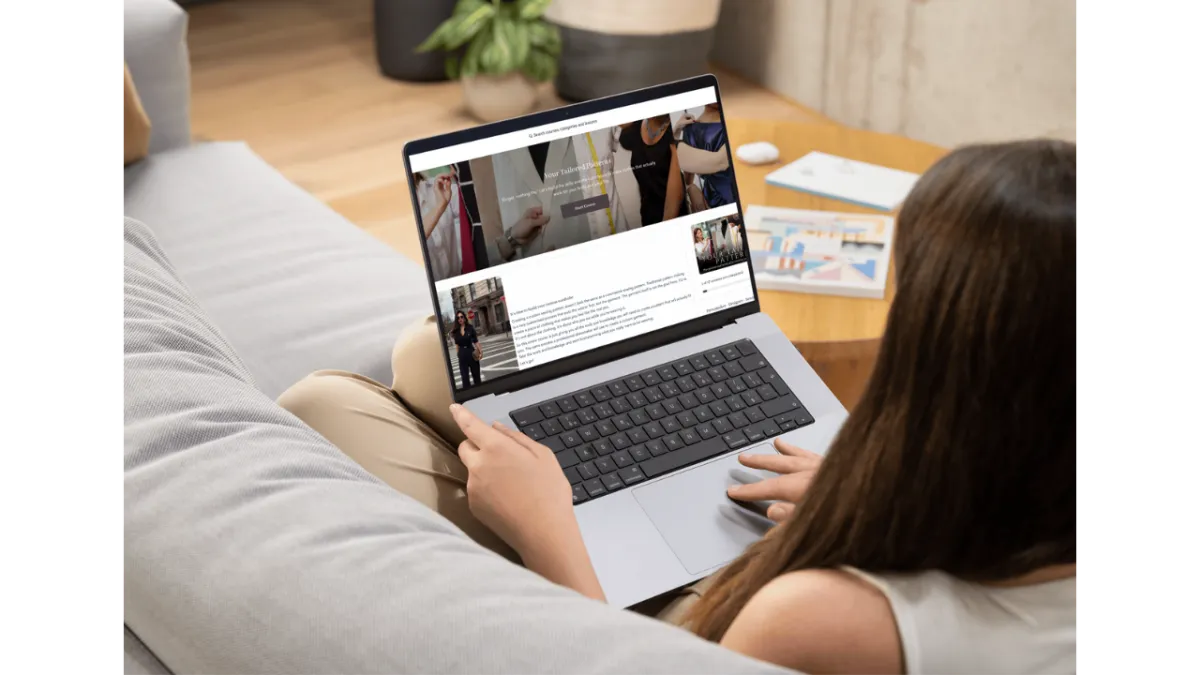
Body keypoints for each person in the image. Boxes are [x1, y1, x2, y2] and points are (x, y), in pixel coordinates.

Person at [277, 139, 1078, 675]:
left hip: (639, 622)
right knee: (430, 357)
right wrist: (877, 491)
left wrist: (550, 532)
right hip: (814, 547)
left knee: (326, 403)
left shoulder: (828, 619)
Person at [618, 116, 685, 227]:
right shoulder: (636, 128)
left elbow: (673, 202)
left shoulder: (674, 133)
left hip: (672, 220)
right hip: (647, 218)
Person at [675, 103, 735, 209]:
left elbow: (688, 179)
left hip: (708, 196)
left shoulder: (689, 130)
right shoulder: (731, 124)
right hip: (733, 195)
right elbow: (721, 161)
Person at [449, 310, 481, 388]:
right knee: (465, 377)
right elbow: (457, 345)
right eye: (458, 318)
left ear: (464, 317)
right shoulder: (456, 331)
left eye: (461, 317)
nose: (460, 319)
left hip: (471, 352)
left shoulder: (470, 328)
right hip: (462, 354)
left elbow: (476, 341)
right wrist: (458, 354)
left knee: (476, 375)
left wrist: (480, 351)